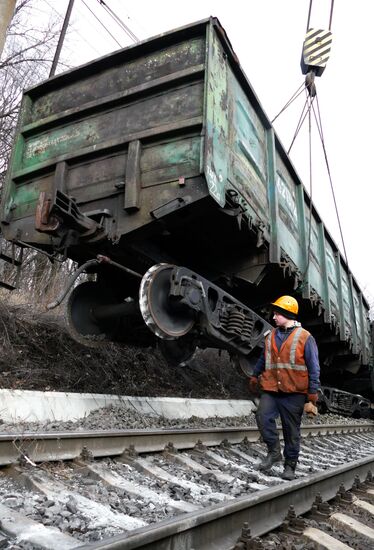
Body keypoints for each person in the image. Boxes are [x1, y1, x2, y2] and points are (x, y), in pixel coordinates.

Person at [248, 295, 320, 480]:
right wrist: (255, 375)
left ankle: (290, 466)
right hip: (272, 389)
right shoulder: (271, 335)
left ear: (287, 314)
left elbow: (314, 366)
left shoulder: (305, 337)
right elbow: (264, 358)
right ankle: (274, 452)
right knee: (262, 417)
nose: (273, 317)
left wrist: (312, 394)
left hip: (294, 392)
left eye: (277, 314)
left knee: (291, 430)